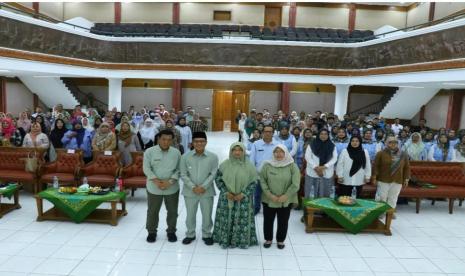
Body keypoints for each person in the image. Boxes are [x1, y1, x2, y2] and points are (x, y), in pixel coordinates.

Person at [212, 142, 258, 249]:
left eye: (240, 150)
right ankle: (224, 239)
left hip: (243, 199)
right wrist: (226, 192)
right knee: (226, 218)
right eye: (234, 150)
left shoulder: (250, 166)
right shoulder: (224, 164)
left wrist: (243, 194)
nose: (237, 152)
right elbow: (218, 179)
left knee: (242, 219)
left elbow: (254, 182)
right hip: (227, 197)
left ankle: (241, 241)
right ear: (231, 151)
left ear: (244, 152)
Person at [180, 132, 219, 245]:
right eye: (196, 141)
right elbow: (183, 174)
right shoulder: (185, 157)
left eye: (202, 141)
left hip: (207, 192)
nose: (199, 143)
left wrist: (203, 187)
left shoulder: (213, 157)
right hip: (190, 191)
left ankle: (207, 234)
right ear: (193, 142)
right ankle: (190, 234)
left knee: (207, 214)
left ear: (206, 142)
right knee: (190, 214)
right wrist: (193, 187)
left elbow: (213, 173)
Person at [143, 130, 181, 243]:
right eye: (164, 139)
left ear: (172, 140)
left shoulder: (176, 152)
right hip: (154, 186)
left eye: (169, 140)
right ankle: (151, 232)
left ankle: (171, 231)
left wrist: (170, 182)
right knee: (153, 211)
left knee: (173, 211)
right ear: (158, 139)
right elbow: (146, 168)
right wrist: (156, 181)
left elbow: (179, 169)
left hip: (172, 186)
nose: (166, 142)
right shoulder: (149, 152)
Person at [260, 144, 300, 249]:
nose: (279, 154)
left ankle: (280, 240)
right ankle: (268, 239)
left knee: (283, 220)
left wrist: (286, 196)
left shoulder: (292, 166)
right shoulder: (267, 165)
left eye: (281, 151)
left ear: (286, 152)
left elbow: (296, 183)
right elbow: (262, 180)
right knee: (268, 220)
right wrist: (269, 195)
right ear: (273, 153)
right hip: (269, 199)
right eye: (276, 151)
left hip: (286, 199)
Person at [372, 136, 410, 210]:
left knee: (393, 197)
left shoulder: (403, 154)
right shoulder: (380, 153)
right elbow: (375, 166)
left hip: (398, 179)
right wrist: (374, 177)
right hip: (383, 179)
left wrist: (406, 178)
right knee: (381, 197)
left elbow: (407, 167)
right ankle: (380, 212)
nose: (393, 144)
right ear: (386, 143)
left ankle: (390, 212)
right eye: (390, 142)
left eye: (395, 142)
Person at [249, 125, 279, 215]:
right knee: (257, 194)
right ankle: (256, 208)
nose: (268, 133)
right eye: (266, 131)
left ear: (273, 133)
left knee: (271, 193)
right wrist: (253, 172)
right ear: (262, 133)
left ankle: (270, 209)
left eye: (270, 132)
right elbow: (252, 159)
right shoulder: (256, 144)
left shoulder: (278, 145)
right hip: (258, 174)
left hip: (273, 174)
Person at [304, 129, 337, 198]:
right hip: (312, 171)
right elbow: (308, 157)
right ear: (318, 135)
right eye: (321, 134)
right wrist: (316, 168)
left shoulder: (332, 146)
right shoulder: (312, 145)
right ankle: (311, 208)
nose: (323, 136)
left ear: (328, 135)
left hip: (326, 171)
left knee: (325, 192)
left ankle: (324, 207)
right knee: (311, 192)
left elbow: (334, 158)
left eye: (325, 134)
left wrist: (324, 166)